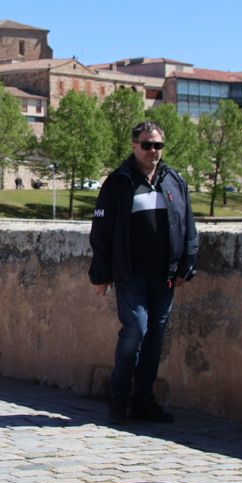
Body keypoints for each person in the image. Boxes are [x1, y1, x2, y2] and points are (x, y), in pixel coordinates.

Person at [88, 121, 198, 424]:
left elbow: (188, 225)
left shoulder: (173, 180)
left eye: (158, 146)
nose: (153, 151)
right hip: (130, 273)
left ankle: (143, 400)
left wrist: (187, 265)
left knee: (155, 338)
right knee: (136, 330)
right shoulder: (119, 182)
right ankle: (119, 398)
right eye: (147, 145)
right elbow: (102, 231)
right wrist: (101, 275)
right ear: (134, 145)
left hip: (165, 274)